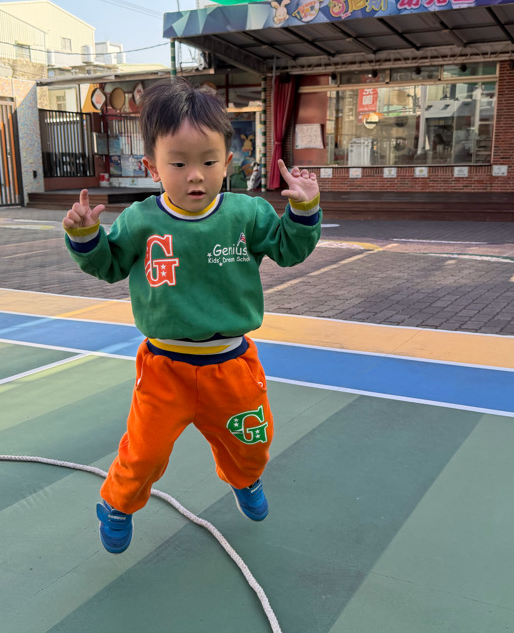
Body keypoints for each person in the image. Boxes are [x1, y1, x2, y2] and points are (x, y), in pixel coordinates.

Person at [62, 78, 321, 554]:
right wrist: (86, 238)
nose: (195, 176)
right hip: (165, 368)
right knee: (145, 452)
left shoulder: (247, 214)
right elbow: (109, 264)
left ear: (228, 161)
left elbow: (289, 249)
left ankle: (245, 480)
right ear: (152, 167)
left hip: (231, 365)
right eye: (178, 164)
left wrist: (303, 208)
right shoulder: (141, 220)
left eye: (208, 161)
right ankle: (117, 504)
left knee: (251, 444)